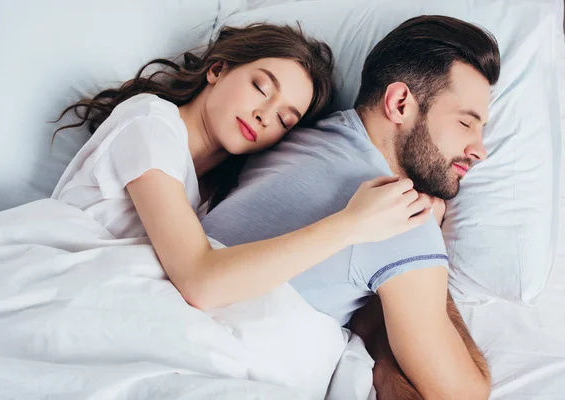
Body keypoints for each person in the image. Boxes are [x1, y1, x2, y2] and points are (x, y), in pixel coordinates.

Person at [200, 15, 500, 400]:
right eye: (465, 123)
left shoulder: (290, 136)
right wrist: (432, 254)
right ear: (400, 102)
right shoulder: (402, 220)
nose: (480, 150)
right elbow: (463, 392)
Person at [51, 23, 433, 311]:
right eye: (261, 88)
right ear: (217, 69)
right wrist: (350, 226)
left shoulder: (209, 191)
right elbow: (200, 280)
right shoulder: (149, 122)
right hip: (65, 286)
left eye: (285, 119)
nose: (265, 116)